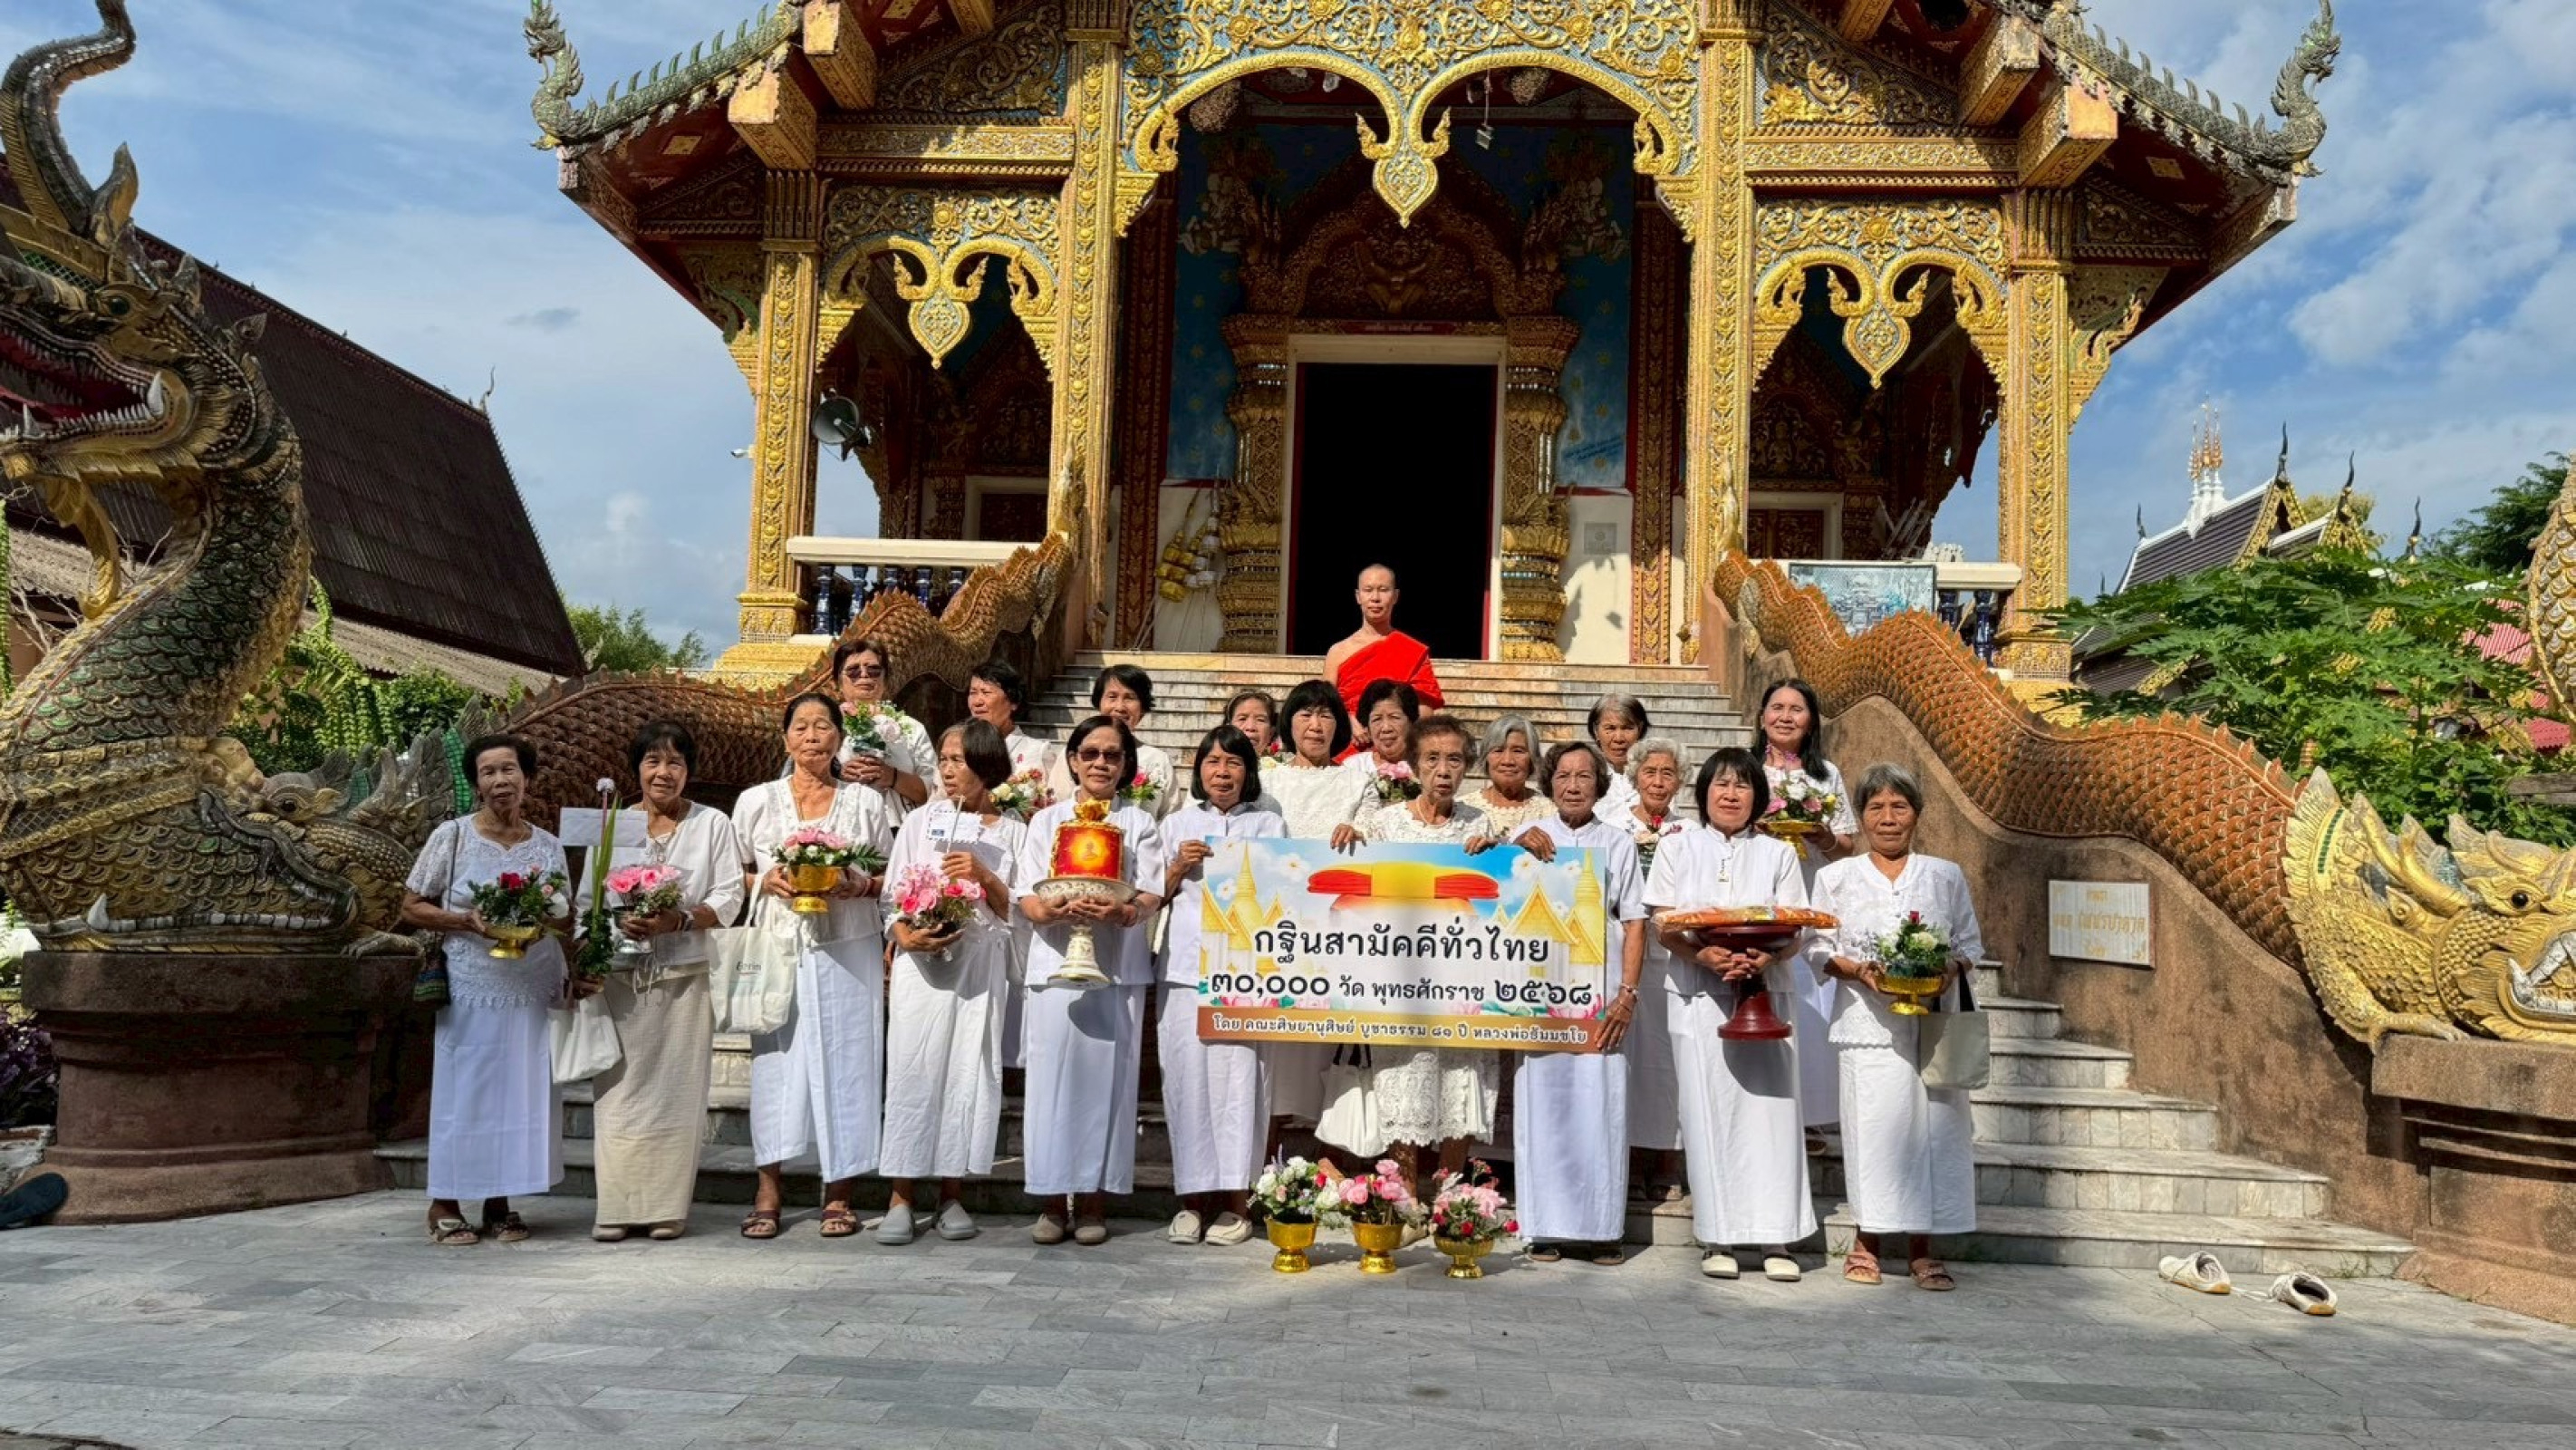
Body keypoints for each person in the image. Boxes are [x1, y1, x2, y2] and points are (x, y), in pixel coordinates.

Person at [1645, 747, 1818, 1283]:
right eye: (1720, 784)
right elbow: (1662, 922)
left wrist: (1766, 956)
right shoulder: (1679, 846)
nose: (1730, 794)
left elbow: (1798, 926)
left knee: (1772, 1115)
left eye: (1742, 786)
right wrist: (1704, 955)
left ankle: (1777, 1237)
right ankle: (1716, 1236)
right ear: (1703, 793)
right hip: (1698, 996)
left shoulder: (1778, 854)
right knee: (1707, 1112)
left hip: (1767, 994)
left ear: (1757, 797)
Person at [1811, 763, 1983, 1292]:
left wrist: (1942, 972)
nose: (1888, 818)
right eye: (1876, 808)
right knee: (1873, 1131)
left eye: (1899, 807)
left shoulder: (1944, 875)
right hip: (1866, 1022)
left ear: (1917, 815)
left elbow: (1969, 946)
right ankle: (1867, 1240)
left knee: (1935, 1133)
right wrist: (1860, 971)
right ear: (1861, 817)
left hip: (1934, 1024)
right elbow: (1816, 947)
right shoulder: (1835, 877)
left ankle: (1923, 1247)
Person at [730, 692, 894, 1242]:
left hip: (848, 946)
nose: (811, 735)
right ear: (785, 739)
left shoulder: (866, 803)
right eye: (800, 726)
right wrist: (765, 881)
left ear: (839, 738)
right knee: (775, 1061)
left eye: (823, 726)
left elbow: (888, 878)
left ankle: (840, 1191)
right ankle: (768, 1189)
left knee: (850, 1060)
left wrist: (857, 883)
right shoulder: (755, 801)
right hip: (780, 945)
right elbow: (734, 875)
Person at [402, 734, 574, 1246]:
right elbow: (411, 905)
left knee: (522, 1092)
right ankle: (446, 1201)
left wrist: (551, 925)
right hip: (474, 984)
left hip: (533, 983)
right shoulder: (451, 836)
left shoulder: (547, 845)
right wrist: (466, 922)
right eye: (488, 772)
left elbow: (564, 912)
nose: (500, 781)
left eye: (509, 770)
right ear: (476, 783)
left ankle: (501, 1202)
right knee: (467, 1090)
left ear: (527, 777)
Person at [588, 720, 748, 1242]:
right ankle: (614, 1207)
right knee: (619, 1092)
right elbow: (591, 895)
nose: (664, 772)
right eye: (653, 761)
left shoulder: (712, 824)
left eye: (675, 762)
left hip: (683, 974)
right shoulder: (613, 824)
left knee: (677, 1093)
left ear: (689, 772)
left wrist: (679, 919)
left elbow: (730, 896)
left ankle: (665, 1208)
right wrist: (616, 922)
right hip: (621, 976)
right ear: (637, 768)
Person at [1324, 713, 1496, 1189]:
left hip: (1461, 980)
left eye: (1455, 760)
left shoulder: (1479, 824)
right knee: (1403, 1081)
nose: (1444, 770)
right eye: (1433, 759)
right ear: (1415, 766)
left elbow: (1499, 894)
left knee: (1459, 1082)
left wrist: (1496, 853)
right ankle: (1405, 1198)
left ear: (1467, 769)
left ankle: (1451, 1199)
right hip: (1399, 982)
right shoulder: (1385, 825)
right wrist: (1352, 847)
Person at [1016, 715, 1168, 1246]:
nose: (1101, 763)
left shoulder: (1141, 824)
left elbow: (1149, 895)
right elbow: (1028, 896)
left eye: (1113, 755)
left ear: (1127, 766)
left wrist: (1123, 915)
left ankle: (1096, 1199)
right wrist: (1053, 910)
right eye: (1092, 753)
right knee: (1053, 1085)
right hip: (1055, 967)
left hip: (1118, 970)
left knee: (1111, 1088)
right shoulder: (1045, 822)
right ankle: (1054, 1202)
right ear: (1074, 760)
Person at [875, 720, 1024, 1246]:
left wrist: (984, 875)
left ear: (986, 765)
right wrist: (902, 935)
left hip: (979, 965)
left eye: (959, 759)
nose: (947, 768)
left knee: (968, 1073)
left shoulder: (1012, 830)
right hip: (924, 965)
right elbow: (892, 895)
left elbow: (1019, 910)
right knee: (913, 1072)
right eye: (942, 758)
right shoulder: (921, 821)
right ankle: (900, 1195)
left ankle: (952, 1193)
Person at [1514, 741, 1648, 1266]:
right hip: (1539, 996)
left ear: (1600, 784)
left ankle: (1600, 1229)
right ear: (1549, 782)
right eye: (1563, 775)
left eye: (1584, 776)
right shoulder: (1528, 836)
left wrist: (1627, 996)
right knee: (1543, 1107)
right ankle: (1543, 1226)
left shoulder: (1617, 843)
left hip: (1601, 994)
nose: (1573, 785)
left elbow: (1636, 920)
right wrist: (1511, 847)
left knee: (1601, 1105)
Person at [1155, 726, 1285, 1246]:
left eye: (1233, 763)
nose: (1222, 772)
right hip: (1186, 970)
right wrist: (1177, 866)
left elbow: (1286, 891)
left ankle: (1237, 1201)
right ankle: (1190, 1200)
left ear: (1248, 772)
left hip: (1247, 978)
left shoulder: (1270, 823)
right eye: (1212, 762)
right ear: (1199, 770)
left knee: (1241, 1085)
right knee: (1185, 1083)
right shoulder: (1176, 824)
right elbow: (1151, 898)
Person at [1261, 681, 1374, 1132]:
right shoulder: (1267, 779)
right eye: (1305, 714)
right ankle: (1264, 1163)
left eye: (1326, 715)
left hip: (1335, 927)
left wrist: (1358, 832)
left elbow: (1374, 835)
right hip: (1276, 928)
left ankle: (1325, 1159)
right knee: (1275, 1043)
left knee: (1322, 1044)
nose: (1315, 724)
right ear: (1289, 722)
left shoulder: (1357, 780)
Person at [1756, 679, 1858, 1149]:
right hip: (1756, 897)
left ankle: (1812, 1114)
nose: (1785, 716)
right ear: (1761, 718)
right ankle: (1763, 1109)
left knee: (1811, 1003)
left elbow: (1848, 847)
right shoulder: (1746, 771)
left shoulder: (1826, 776)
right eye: (1777, 707)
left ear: (1811, 720)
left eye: (1796, 709)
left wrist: (1821, 837)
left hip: (1812, 896)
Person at [1606, 736, 1693, 1201]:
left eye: (1667, 774)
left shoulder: (1691, 831)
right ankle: (1629, 1158)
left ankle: (1666, 1159)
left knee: (1667, 1063)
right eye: (1650, 773)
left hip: (1676, 960)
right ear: (1635, 777)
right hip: (1624, 955)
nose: (1658, 782)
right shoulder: (1612, 826)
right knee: (1629, 1062)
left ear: (1680, 781)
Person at [1047, 663, 1175, 819]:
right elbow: (1057, 804)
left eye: (1130, 698)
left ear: (1142, 708)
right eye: (1112, 697)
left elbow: (1170, 819)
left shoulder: (1158, 760)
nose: (1120, 707)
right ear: (1099, 702)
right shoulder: (1076, 753)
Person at [1324, 564, 1445, 726]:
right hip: (1350, 739)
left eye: (1383, 590)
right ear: (1358, 596)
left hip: (1398, 741)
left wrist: (1394, 730)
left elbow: (1424, 710)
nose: (1375, 598)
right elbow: (1325, 704)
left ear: (1395, 596)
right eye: (1368, 590)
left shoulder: (1412, 651)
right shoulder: (1338, 652)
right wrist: (1349, 723)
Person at [828, 638, 933, 813]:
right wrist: (837, 773)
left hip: (898, 827)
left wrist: (892, 776)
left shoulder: (911, 728)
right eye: (853, 671)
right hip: (843, 823)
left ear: (886, 679)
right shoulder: (827, 726)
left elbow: (932, 791)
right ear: (838, 682)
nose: (864, 675)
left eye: (874, 670)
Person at [1461, 713, 1556, 847]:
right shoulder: (1463, 809)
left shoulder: (1550, 812)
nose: (1507, 761)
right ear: (1486, 757)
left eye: (1518, 751)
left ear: (1532, 759)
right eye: (1498, 751)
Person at [968, 657, 1054, 786]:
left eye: (986, 693)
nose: (977, 702)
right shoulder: (959, 748)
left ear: (1013, 702)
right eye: (973, 693)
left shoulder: (1037, 752)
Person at [1341, 678, 1422, 778]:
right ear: (1368, 728)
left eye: (1394, 717)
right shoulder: (1353, 767)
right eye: (1377, 719)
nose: (1386, 728)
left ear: (1411, 722)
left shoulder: (1424, 766)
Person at [1587, 694, 1650, 821]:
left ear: (1640, 729)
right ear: (1596, 731)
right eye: (1610, 728)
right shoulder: (1585, 776)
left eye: (1627, 728)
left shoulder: (1654, 778)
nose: (1619, 738)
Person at [1222, 689, 1281, 763]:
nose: (1250, 727)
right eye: (1242, 719)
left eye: (1260, 720)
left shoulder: (1282, 771)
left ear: (1271, 733)